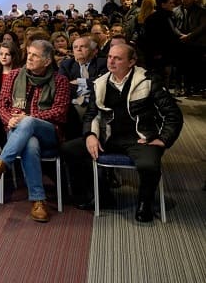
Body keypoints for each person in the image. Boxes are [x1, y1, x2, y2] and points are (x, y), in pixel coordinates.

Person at [61, 44, 183, 222]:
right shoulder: (100, 82)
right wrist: (90, 135)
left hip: (140, 138)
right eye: (110, 57)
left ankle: (145, 203)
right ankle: (100, 194)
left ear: (131, 62)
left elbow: (173, 115)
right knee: (68, 149)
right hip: (108, 137)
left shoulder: (148, 80)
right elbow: (91, 114)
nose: (111, 61)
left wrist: (164, 139)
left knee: (149, 165)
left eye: (117, 58)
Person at [0, 40, 70, 222]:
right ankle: (38, 200)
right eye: (29, 54)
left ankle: (1, 164)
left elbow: (60, 112)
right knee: (30, 143)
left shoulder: (60, 81)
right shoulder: (14, 75)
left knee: (28, 122)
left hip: (48, 131)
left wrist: (29, 117)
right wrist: (10, 119)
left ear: (47, 61)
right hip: (18, 130)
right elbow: (2, 105)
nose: (29, 58)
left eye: (35, 55)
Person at [58, 36, 107, 140]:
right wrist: (90, 83)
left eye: (83, 46)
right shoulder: (66, 65)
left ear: (93, 51)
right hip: (74, 103)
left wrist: (79, 81)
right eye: (75, 47)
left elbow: (101, 82)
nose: (78, 49)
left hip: (96, 102)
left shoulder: (102, 63)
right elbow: (63, 86)